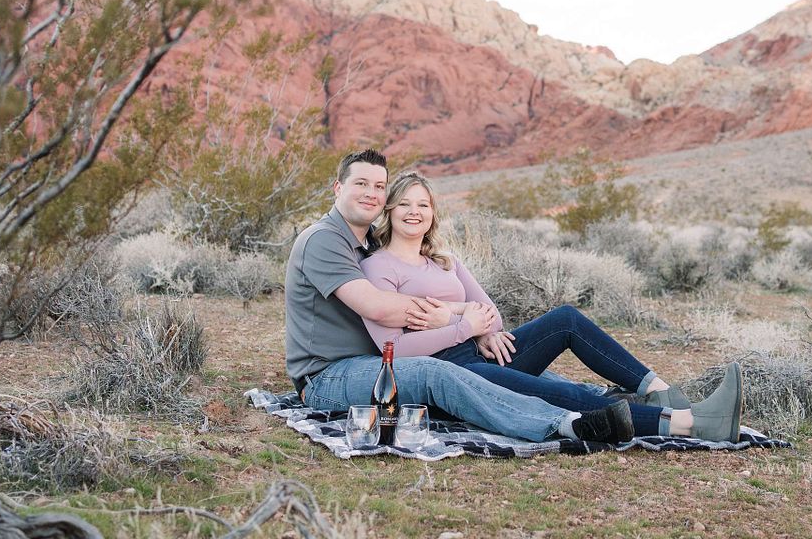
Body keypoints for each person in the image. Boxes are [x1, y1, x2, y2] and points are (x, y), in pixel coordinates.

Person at [358, 170, 744, 442]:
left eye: (423, 204)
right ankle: (691, 423)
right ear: (389, 211)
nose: (414, 212)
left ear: (432, 213)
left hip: (479, 354)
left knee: (565, 320)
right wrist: (462, 325)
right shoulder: (378, 268)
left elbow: (490, 313)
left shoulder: (445, 262)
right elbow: (395, 351)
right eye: (405, 204)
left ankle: (661, 392)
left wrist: (484, 331)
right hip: (449, 377)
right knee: (552, 395)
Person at [285, 149, 634, 444]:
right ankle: (563, 424)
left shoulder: (369, 242)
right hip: (328, 374)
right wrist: (462, 317)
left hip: (379, 362)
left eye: (378, 186)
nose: (370, 193)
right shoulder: (325, 239)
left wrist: (479, 326)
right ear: (338, 188)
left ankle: (613, 401)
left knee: (510, 368)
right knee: (433, 372)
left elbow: (469, 311)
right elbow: (377, 307)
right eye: (360, 183)